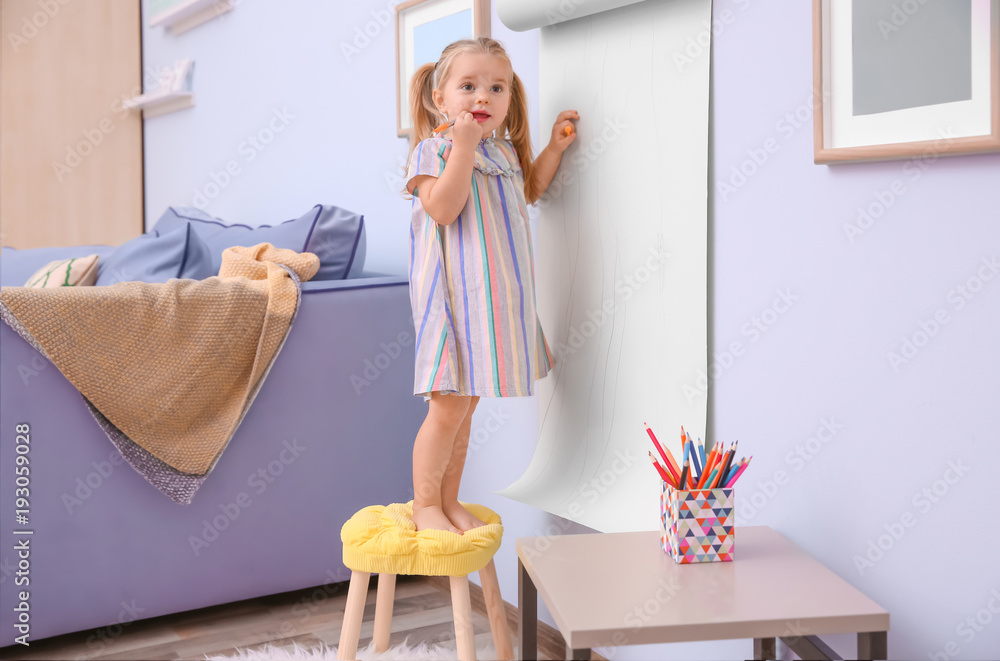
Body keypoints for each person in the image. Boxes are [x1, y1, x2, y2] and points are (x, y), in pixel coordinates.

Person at [399, 36, 579, 533]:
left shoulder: (501, 152)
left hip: (493, 304)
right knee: (446, 410)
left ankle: (449, 500)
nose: (483, 97)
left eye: (496, 88)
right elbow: (443, 207)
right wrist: (462, 146)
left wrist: (554, 149)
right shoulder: (433, 151)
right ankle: (425, 506)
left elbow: (531, 190)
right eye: (469, 86)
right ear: (442, 99)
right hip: (453, 302)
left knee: (464, 409)